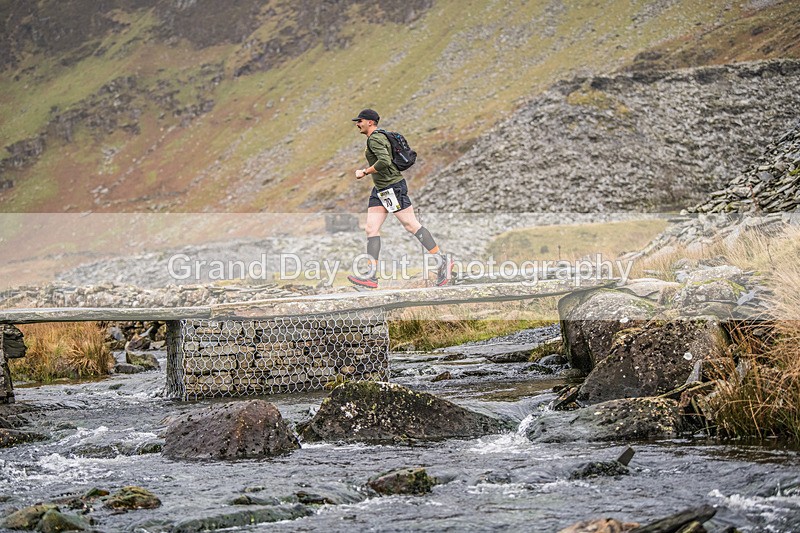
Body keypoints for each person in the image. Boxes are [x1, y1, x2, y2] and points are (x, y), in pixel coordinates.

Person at [347, 108, 452, 289]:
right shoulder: (376, 137)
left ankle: (443, 261)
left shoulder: (375, 138)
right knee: (371, 229)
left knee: (411, 225)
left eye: (360, 121)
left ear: (370, 122)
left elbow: (384, 161)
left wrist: (364, 171)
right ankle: (371, 276)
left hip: (392, 187)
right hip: (380, 189)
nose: (357, 124)